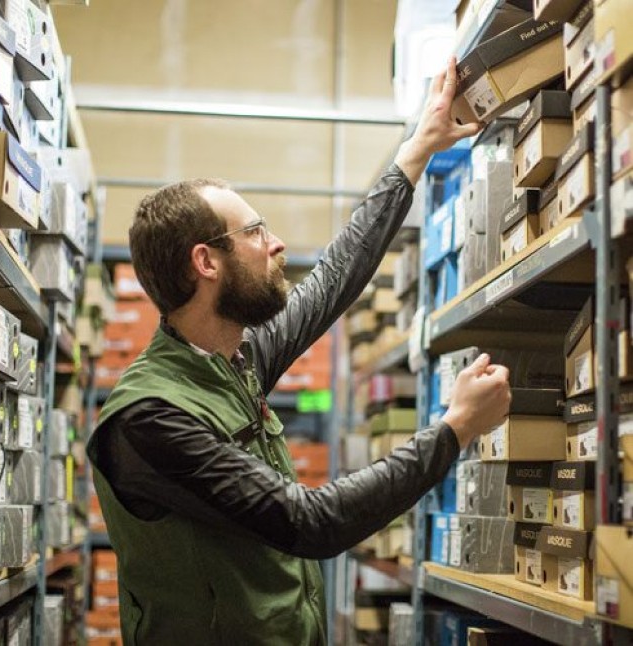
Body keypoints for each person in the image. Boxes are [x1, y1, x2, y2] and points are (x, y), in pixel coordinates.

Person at [87, 57, 511, 645]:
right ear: (206, 263)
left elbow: (331, 281)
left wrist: (416, 153)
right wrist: (454, 431)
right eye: (255, 232)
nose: (277, 243)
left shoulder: (235, 360)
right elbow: (310, 523)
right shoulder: (151, 418)